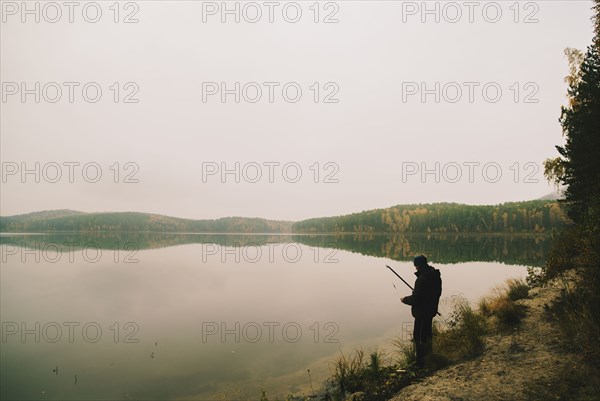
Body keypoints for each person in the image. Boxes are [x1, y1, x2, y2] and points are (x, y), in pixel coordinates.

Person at [401, 255, 442, 368]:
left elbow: (416, 299)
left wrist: (404, 299)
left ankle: (420, 363)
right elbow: (436, 293)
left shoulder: (421, 279)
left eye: (415, 266)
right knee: (427, 334)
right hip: (431, 310)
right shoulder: (435, 276)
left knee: (418, 337)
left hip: (422, 313)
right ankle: (430, 357)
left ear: (418, 265)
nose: (415, 268)